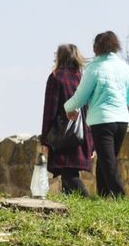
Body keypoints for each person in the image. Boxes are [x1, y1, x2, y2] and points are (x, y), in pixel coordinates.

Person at [64, 31, 129, 198]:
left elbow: (80, 96)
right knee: (105, 161)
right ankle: (104, 197)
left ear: (96, 48)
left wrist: (68, 107)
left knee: (108, 164)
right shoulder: (124, 67)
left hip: (102, 121)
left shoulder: (94, 68)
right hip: (122, 121)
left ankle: (121, 198)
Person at [40, 44, 94, 196]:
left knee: (68, 174)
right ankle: (70, 209)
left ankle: (87, 203)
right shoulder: (81, 77)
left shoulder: (56, 77)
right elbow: (88, 108)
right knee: (69, 173)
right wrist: (92, 142)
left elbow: (50, 110)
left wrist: (45, 140)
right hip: (81, 133)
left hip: (62, 133)